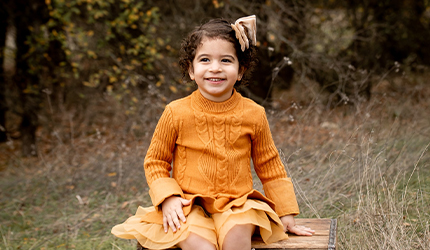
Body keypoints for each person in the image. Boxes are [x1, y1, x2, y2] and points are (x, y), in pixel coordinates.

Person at [111, 15, 314, 250]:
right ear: (191, 69)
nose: (215, 68)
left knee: (237, 237)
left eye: (226, 60)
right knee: (199, 244)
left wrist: (286, 212)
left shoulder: (253, 113)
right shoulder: (176, 112)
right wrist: (168, 198)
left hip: (237, 204)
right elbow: (156, 161)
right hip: (188, 204)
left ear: (240, 71)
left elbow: (269, 166)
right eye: (205, 59)